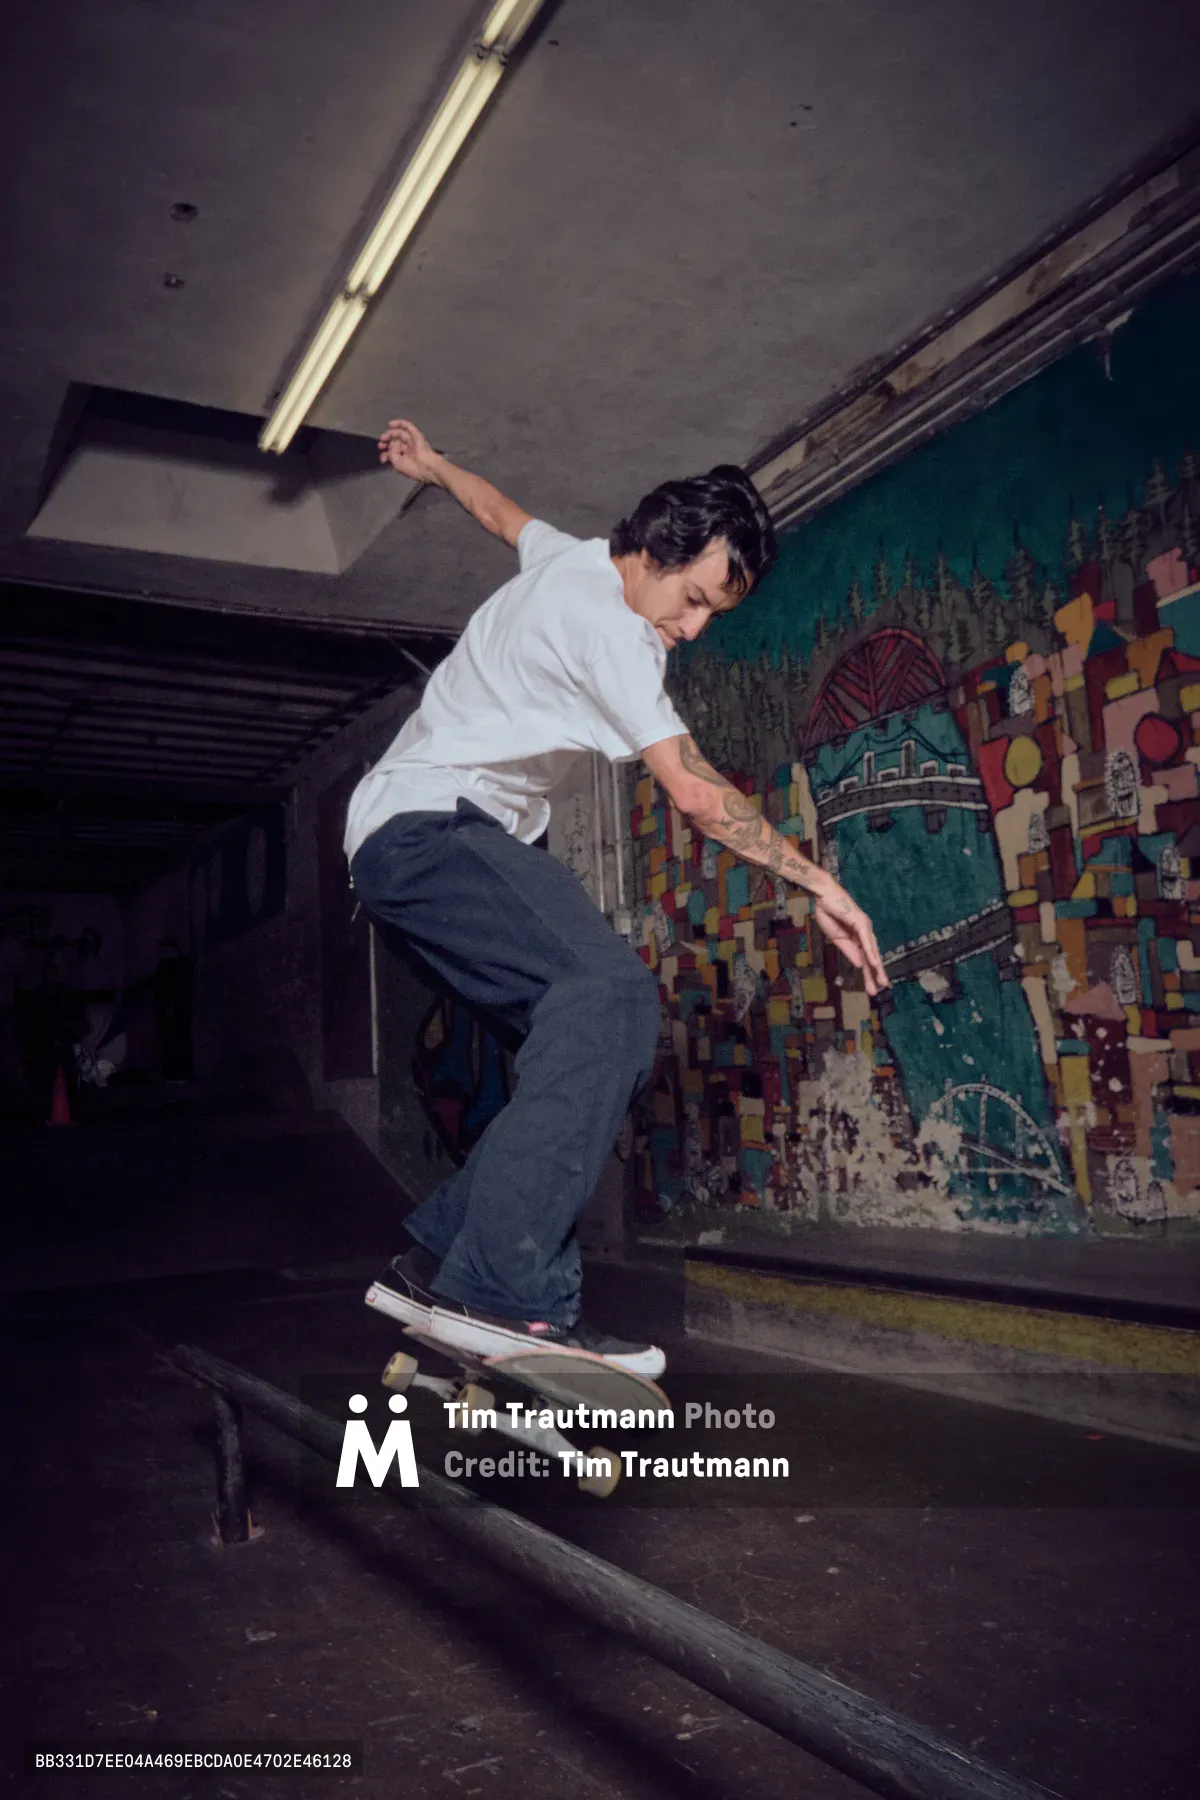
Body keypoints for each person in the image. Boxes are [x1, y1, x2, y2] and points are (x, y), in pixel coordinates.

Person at [347, 420, 887, 1376]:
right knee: (611, 1001)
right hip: (432, 832)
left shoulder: (575, 560)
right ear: (650, 551)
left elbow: (500, 513)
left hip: (402, 843)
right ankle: (504, 1297)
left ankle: (438, 1262)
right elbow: (692, 793)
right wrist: (817, 881)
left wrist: (435, 464)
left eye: (712, 613)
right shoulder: (615, 631)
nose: (690, 628)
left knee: (578, 1045)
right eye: (690, 600)